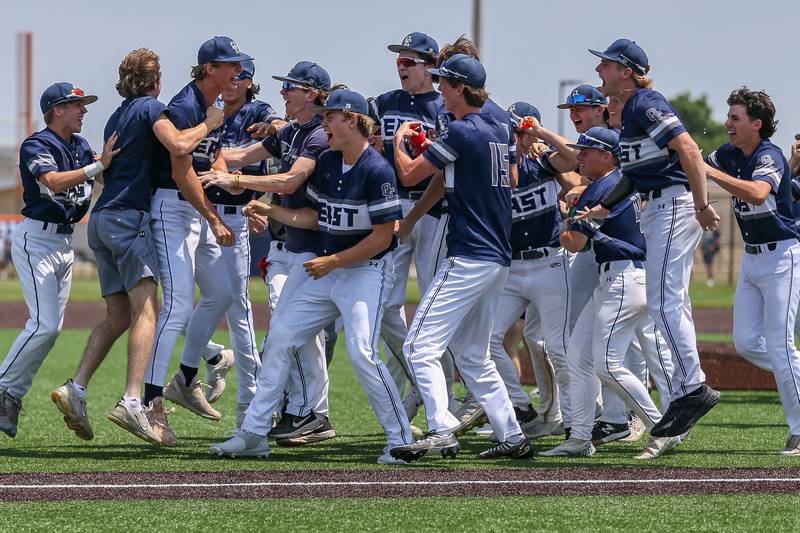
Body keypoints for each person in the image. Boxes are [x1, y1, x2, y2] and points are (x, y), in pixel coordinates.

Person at [210, 89, 412, 463]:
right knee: (281, 338)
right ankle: (254, 433)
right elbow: (315, 218)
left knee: (363, 353)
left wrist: (333, 261)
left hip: (366, 270)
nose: (324, 122)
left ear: (354, 121)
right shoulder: (331, 162)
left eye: (331, 116)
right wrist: (271, 212)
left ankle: (399, 439)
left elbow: (384, 237)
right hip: (331, 268)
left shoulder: (377, 170)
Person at [50, 49, 228, 444]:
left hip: (101, 220)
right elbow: (180, 144)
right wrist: (211, 122)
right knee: (149, 310)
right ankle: (134, 401)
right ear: (156, 81)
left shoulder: (117, 114)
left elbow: (107, 169)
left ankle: (75, 388)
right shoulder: (151, 108)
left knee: (118, 316)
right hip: (129, 219)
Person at [388, 54, 532, 462]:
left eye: (445, 83)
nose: (440, 89)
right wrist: (432, 149)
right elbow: (465, 170)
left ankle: (440, 429)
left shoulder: (462, 129)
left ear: (461, 88)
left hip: (469, 252)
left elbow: (410, 175)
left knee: (419, 346)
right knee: (472, 354)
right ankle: (511, 435)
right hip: (497, 256)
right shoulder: (499, 125)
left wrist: (402, 143)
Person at [577, 38, 720, 437]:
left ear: (626, 71)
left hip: (674, 204)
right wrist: (603, 209)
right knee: (670, 303)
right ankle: (684, 392)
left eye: (604, 65)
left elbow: (689, 148)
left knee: (662, 301)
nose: (598, 71)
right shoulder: (628, 116)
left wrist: (702, 203)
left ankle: (692, 389)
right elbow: (633, 176)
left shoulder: (644, 102)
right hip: (659, 206)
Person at [201, 61, 336, 446]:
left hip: (318, 248)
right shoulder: (291, 131)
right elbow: (239, 155)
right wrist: (200, 154)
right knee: (292, 332)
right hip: (295, 244)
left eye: (290, 87)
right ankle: (304, 412)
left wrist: (237, 182)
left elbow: (291, 179)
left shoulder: (317, 136)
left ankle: (306, 412)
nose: (282, 93)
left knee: (349, 342)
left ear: (311, 94)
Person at [541, 127, 679, 459]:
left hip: (623, 278)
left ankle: (663, 427)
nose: (580, 157)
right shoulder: (615, 183)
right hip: (618, 277)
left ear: (607, 156)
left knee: (606, 362)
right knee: (578, 355)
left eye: (587, 152)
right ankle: (580, 437)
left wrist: (565, 216)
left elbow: (574, 244)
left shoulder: (602, 187)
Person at [144, 36, 247, 441]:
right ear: (209, 68)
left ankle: (185, 378)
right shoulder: (188, 105)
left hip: (196, 208)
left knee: (221, 293)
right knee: (177, 305)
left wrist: (230, 178)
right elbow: (181, 170)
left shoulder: (215, 104)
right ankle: (148, 403)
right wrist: (213, 216)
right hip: (172, 208)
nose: (236, 71)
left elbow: (210, 153)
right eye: (229, 64)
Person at [0, 83, 112, 438]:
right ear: (57, 109)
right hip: (38, 239)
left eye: (83, 104)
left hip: (63, 243)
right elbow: (52, 179)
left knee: (50, 329)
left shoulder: (80, 146)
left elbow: (105, 174)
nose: (84, 110)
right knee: (44, 326)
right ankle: (4, 388)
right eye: (76, 104)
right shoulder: (38, 144)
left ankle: (10, 394)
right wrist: (98, 168)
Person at [705, 87, 800, 456]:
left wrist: (710, 171)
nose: (727, 123)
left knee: (779, 345)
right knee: (746, 343)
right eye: (729, 116)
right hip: (752, 259)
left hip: (783, 258)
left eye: (735, 118)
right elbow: (694, 160)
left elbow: (759, 194)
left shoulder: (769, 154)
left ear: (756, 124)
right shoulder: (731, 153)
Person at [481, 102, 579, 441]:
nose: (518, 138)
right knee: (486, 340)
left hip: (549, 262)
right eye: (514, 133)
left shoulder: (544, 160)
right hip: (513, 267)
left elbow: (574, 160)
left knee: (557, 347)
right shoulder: (495, 169)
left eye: (521, 132)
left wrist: (541, 133)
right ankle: (520, 407)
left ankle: (574, 426)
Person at [196, 58, 282, 427]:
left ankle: (251, 405)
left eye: (242, 76)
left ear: (250, 82)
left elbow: (283, 129)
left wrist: (261, 203)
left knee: (239, 315)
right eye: (230, 75)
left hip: (234, 218)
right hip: (199, 216)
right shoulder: (208, 109)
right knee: (174, 303)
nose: (234, 81)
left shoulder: (257, 111)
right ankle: (215, 357)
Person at [370, 32, 443, 413]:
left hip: (436, 211)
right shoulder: (382, 104)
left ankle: (439, 399)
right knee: (384, 306)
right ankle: (418, 385)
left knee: (435, 308)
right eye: (399, 60)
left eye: (409, 60)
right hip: (393, 206)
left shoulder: (444, 106)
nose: (401, 65)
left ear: (430, 66)